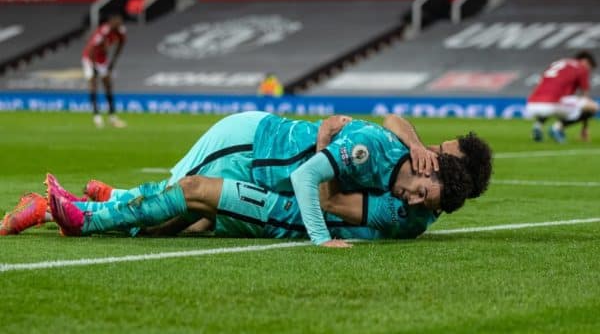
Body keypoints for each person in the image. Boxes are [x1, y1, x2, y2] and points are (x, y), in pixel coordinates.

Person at [1, 114, 492, 241]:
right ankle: (76, 209)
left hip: (265, 164)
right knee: (180, 200)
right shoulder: (403, 157)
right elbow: (393, 125)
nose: (427, 153)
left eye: (437, 155)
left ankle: (74, 208)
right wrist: (409, 141)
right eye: (431, 150)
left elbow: (330, 200)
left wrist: (326, 150)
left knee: (185, 204)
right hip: (260, 150)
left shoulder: (410, 212)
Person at [48, 152, 470, 243]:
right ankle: (86, 211)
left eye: (423, 200)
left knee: (193, 190)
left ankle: (85, 218)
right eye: (420, 193)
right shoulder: (417, 199)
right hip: (284, 206)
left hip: (285, 216)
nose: (415, 199)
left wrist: (331, 154)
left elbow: (330, 202)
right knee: (189, 204)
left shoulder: (399, 212)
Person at [525, 51, 598, 143]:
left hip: (532, 103)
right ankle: (557, 128)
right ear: (586, 61)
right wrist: (584, 128)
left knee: (556, 100)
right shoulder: (581, 67)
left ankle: (537, 126)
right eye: (590, 68)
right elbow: (585, 97)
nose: (588, 71)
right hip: (552, 103)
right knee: (593, 107)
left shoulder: (558, 63)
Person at [82, 14, 127, 128]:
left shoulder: (120, 31)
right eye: (117, 23)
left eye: (120, 23)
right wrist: (93, 68)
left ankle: (112, 117)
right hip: (89, 58)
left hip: (102, 59)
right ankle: (96, 117)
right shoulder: (103, 31)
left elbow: (121, 44)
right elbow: (91, 49)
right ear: (111, 22)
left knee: (108, 85)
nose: (119, 25)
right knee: (93, 85)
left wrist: (113, 62)